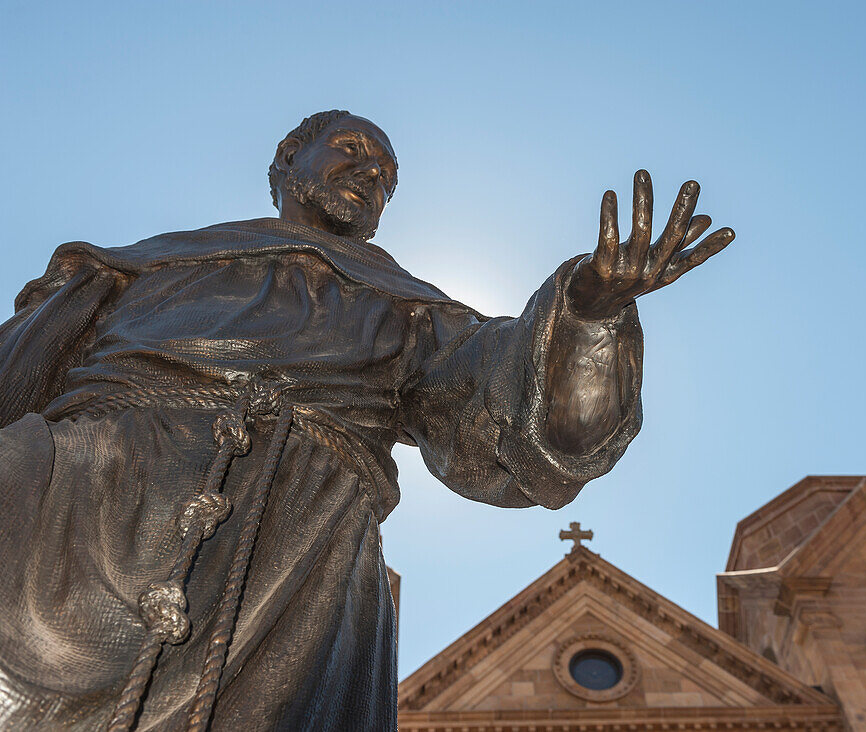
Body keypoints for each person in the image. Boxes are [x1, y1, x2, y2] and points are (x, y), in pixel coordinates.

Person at [0, 110, 733, 730]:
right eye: (352, 151)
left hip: (295, 545)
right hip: (85, 483)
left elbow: (503, 417)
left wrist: (586, 312)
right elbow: (18, 367)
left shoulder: (411, 310)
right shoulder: (137, 267)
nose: (371, 174)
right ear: (289, 160)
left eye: (386, 172)